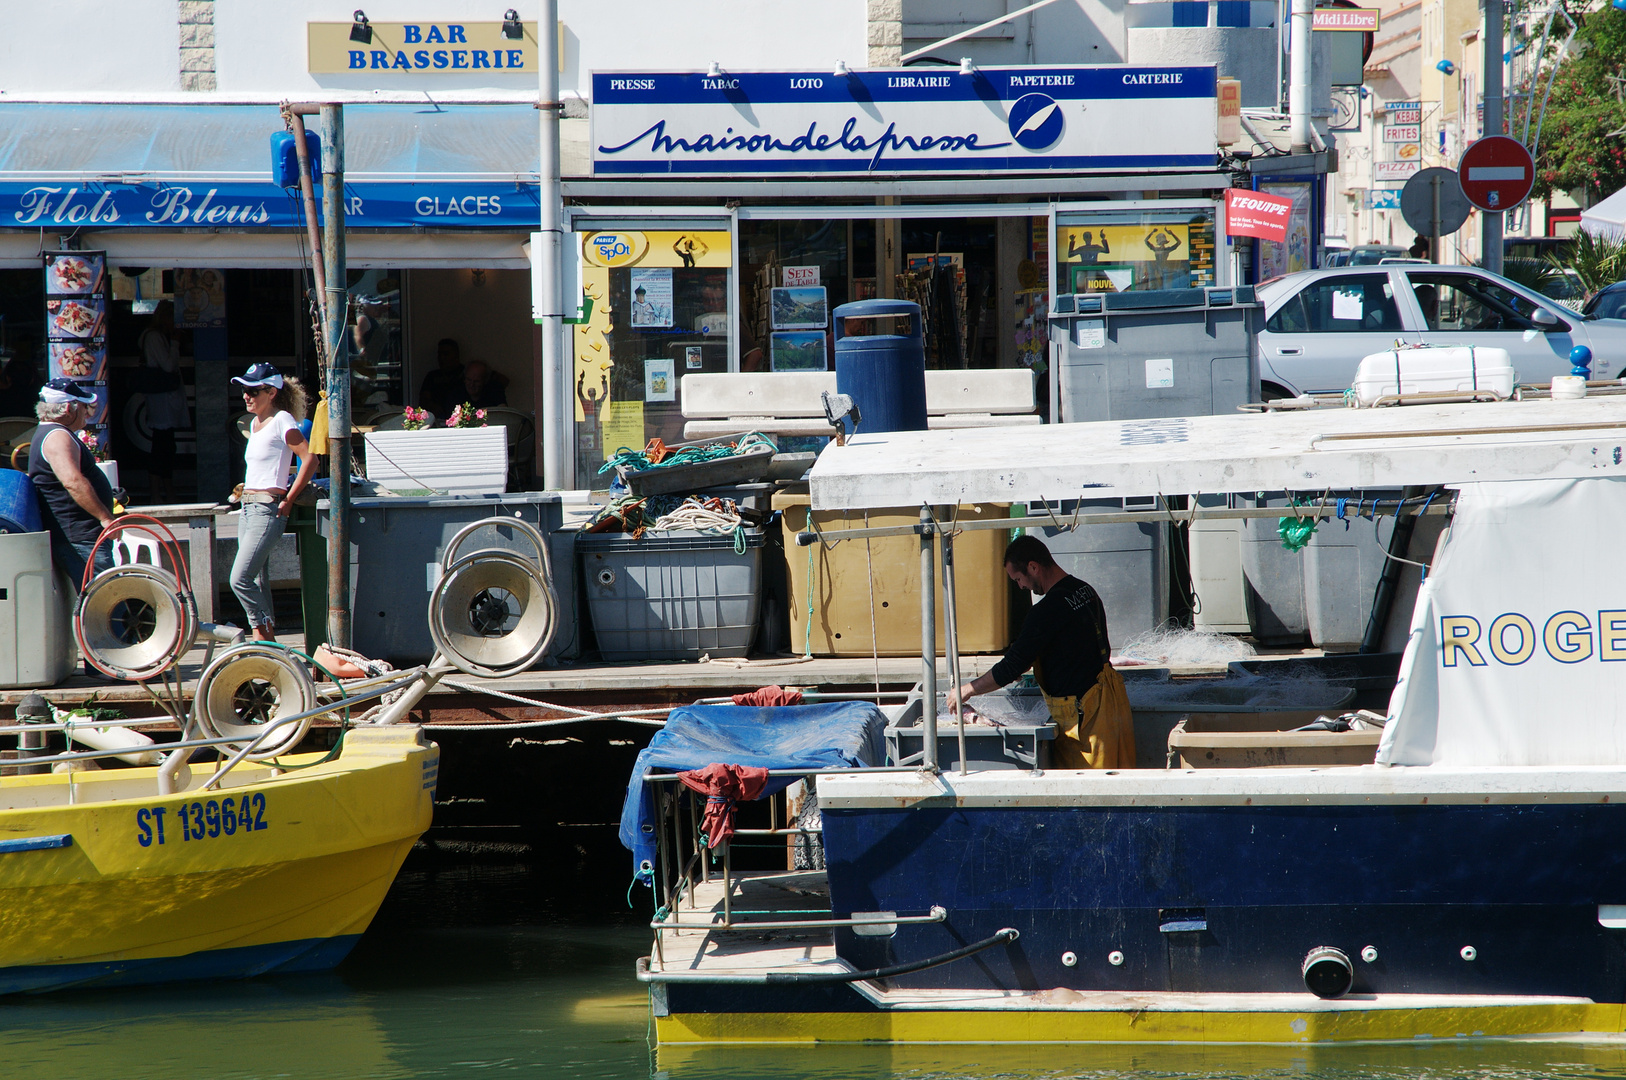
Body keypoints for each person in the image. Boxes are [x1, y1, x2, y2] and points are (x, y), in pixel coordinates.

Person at [947, 535, 1135, 769]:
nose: (1021, 586)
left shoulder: (1046, 610)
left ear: (1033, 567)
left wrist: (966, 690)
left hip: (1086, 720)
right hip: (1112, 706)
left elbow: (1012, 666)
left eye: (1018, 579)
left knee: (1088, 792)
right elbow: (1069, 644)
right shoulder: (1084, 590)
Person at [230, 363, 318, 642]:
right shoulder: (255, 424)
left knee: (239, 579)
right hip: (248, 507)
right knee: (255, 580)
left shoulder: (282, 420)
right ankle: (269, 645)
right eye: (245, 390)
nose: (247, 396)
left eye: (253, 391)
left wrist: (289, 499)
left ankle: (261, 633)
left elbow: (310, 459)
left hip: (267, 508)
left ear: (271, 392)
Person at [27, 378, 116, 588]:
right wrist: (105, 518)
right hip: (79, 538)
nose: (88, 412)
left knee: (101, 603)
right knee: (106, 603)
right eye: (86, 407)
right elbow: (72, 481)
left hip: (77, 536)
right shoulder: (58, 436)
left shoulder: (54, 433)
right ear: (69, 408)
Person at [138, 300, 188, 502]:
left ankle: (166, 489)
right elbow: (167, 366)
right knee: (162, 446)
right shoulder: (154, 337)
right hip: (161, 399)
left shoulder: (157, 336)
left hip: (162, 399)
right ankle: (158, 491)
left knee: (166, 446)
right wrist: (175, 343)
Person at [417, 338, 463, 423]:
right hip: (437, 421)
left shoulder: (465, 374)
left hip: (461, 420)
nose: (441, 358)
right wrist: (432, 406)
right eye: (439, 354)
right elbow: (423, 401)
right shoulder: (432, 377)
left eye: (446, 354)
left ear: (456, 355)